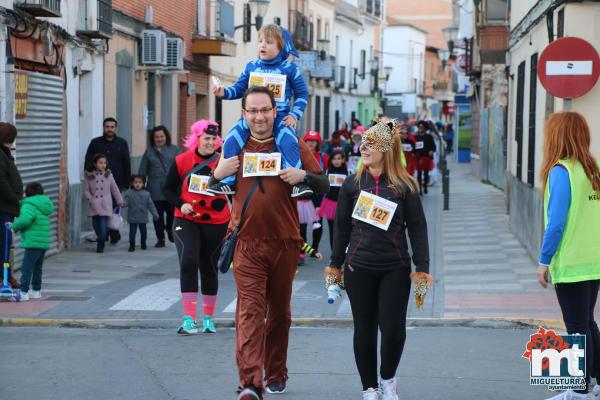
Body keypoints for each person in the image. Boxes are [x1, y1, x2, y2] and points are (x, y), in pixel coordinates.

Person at [210, 86, 329, 400]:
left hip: (285, 242)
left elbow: (324, 182)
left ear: (275, 111)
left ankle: (276, 373)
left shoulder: (290, 142)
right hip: (246, 243)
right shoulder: (235, 144)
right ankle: (251, 382)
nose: (259, 116)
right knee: (249, 312)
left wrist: (302, 174)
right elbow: (212, 186)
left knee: (279, 313)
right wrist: (216, 174)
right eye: (253, 111)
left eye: (265, 110)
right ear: (244, 113)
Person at [327, 121, 431, 400]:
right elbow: (340, 228)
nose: (363, 147)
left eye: (371, 143)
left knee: (394, 328)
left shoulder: (404, 185)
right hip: (358, 266)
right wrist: (335, 267)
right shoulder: (352, 183)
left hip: (394, 267)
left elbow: (418, 228)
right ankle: (369, 388)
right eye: (363, 142)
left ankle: (387, 380)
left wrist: (423, 269)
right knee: (364, 327)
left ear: (387, 149)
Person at [536, 112, 600, 400]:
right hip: (594, 259)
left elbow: (556, 222)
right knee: (588, 322)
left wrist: (544, 260)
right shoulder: (593, 169)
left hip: (572, 262)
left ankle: (578, 389)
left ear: (556, 137)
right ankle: (593, 383)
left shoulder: (561, 171)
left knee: (576, 326)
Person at [210, 24, 311, 198]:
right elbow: (239, 88)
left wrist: (295, 115)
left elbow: (302, 94)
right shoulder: (251, 66)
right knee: (230, 140)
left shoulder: (290, 69)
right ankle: (228, 182)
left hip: (279, 119)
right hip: (251, 119)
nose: (262, 45)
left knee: (289, 142)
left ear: (281, 46)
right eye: (260, 41)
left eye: (269, 42)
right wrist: (223, 92)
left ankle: (297, 184)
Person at [164, 120, 230, 335]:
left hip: (216, 221)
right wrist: (180, 204)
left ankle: (209, 319)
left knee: (209, 267)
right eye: (206, 138)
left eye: (213, 139)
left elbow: (236, 189)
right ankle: (189, 319)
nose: (210, 142)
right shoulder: (182, 160)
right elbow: (167, 190)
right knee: (188, 261)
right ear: (197, 139)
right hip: (187, 219)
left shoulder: (224, 162)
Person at [84, 117, 131, 244]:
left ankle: (111, 231)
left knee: (113, 210)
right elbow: (88, 160)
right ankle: (107, 233)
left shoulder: (122, 143)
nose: (109, 129)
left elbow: (126, 162)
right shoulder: (95, 143)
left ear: (115, 128)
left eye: (112, 127)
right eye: (107, 127)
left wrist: (127, 182)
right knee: (99, 212)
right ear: (103, 128)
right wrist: (88, 176)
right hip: (97, 185)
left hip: (117, 182)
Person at [10, 182, 54, 301]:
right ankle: (36, 291)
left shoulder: (29, 204)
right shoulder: (44, 204)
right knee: (37, 267)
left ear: (27, 193)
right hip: (43, 242)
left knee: (26, 268)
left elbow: (25, 220)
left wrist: (13, 226)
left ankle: (23, 292)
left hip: (33, 241)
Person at [138, 125, 181, 247]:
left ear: (166, 136)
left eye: (161, 136)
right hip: (155, 189)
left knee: (172, 214)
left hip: (172, 189)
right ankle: (160, 238)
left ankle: (169, 229)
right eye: (157, 137)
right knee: (157, 216)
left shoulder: (175, 150)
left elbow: (181, 168)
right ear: (153, 138)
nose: (159, 139)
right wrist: (140, 186)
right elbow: (142, 170)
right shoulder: (149, 151)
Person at [297, 130, 328, 266]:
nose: (310, 143)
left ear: (318, 143)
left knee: (318, 224)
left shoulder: (323, 157)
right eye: (308, 141)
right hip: (304, 194)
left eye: (313, 141)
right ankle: (301, 251)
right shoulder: (299, 155)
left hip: (319, 193)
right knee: (301, 225)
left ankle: (314, 248)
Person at [83, 153, 125, 253]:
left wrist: (120, 201)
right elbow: (86, 190)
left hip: (105, 203)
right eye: (100, 163)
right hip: (94, 204)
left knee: (102, 223)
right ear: (94, 164)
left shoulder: (109, 176)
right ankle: (110, 232)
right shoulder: (89, 176)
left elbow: (114, 189)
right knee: (95, 224)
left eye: (105, 163)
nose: (103, 165)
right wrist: (90, 199)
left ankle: (101, 242)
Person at [0, 122, 23, 289]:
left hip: (6, 207)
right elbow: (1, 180)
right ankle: (5, 278)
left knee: (5, 243)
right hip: (3, 207)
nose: (12, 141)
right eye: (11, 137)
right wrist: (16, 199)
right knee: (4, 243)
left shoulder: (4, 153)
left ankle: (6, 276)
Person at [318, 149, 348, 249]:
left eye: (339, 158)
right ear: (330, 160)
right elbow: (323, 188)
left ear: (343, 160)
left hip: (342, 204)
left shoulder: (348, 172)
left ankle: (342, 251)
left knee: (342, 230)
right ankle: (333, 253)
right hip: (330, 203)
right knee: (332, 230)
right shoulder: (327, 172)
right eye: (334, 159)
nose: (336, 161)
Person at [123, 175, 159, 252]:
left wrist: (155, 214)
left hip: (143, 217)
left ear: (143, 184)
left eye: (140, 182)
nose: (138, 184)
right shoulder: (129, 193)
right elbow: (125, 203)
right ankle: (131, 245)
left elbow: (151, 205)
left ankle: (143, 243)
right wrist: (123, 204)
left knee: (144, 233)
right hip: (132, 217)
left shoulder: (146, 194)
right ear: (132, 183)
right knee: (132, 233)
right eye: (135, 182)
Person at [414, 120, 436, 195]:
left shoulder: (429, 137)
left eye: (422, 127)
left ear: (425, 128)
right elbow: (413, 147)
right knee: (419, 174)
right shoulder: (415, 137)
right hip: (418, 157)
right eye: (419, 127)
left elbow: (433, 147)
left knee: (426, 174)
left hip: (426, 157)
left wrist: (432, 151)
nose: (420, 128)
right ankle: (420, 188)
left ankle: (425, 186)